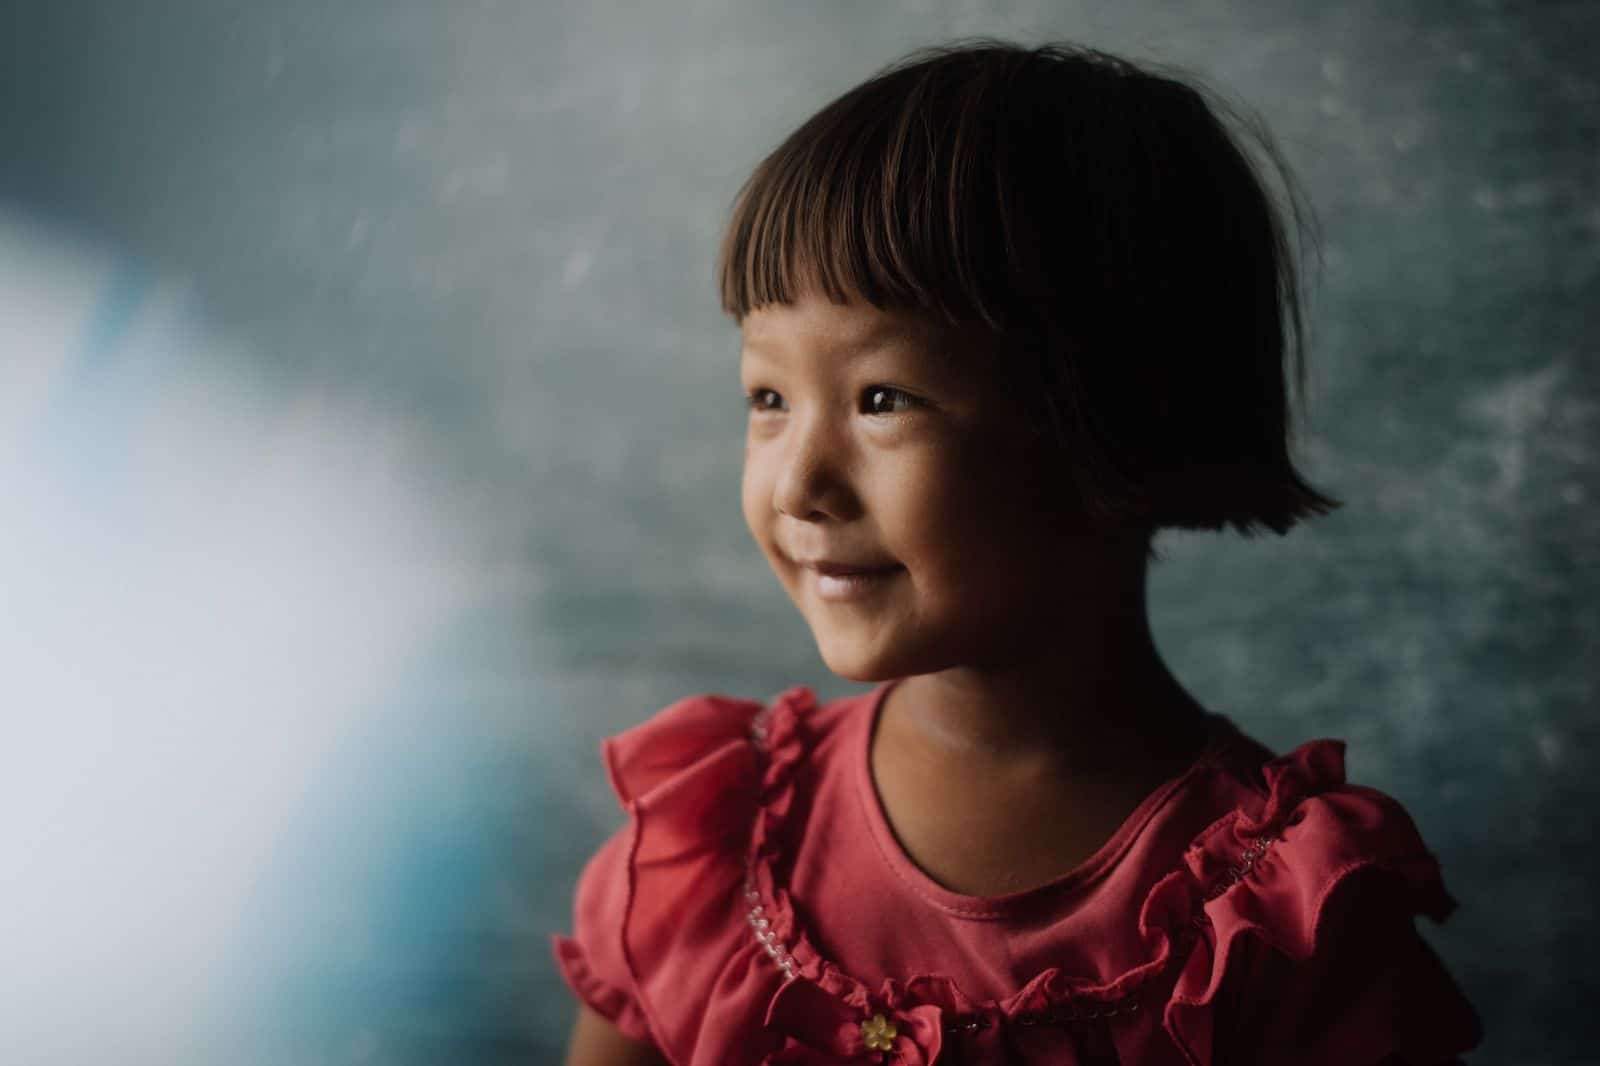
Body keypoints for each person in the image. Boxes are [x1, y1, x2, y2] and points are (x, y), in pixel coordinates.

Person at [552, 37, 1483, 1065]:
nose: (798, 485)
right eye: (767, 398)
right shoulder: (712, 847)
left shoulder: (1286, 924)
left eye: (881, 400)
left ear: (1119, 424)